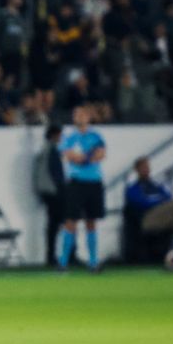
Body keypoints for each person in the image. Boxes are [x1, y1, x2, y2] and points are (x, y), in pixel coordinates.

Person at [58, 106, 107, 272]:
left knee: (91, 222)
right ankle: (63, 261)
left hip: (94, 182)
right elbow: (71, 156)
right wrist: (88, 157)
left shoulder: (96, 136)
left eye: (82, 114)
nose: (79, 117)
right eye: (76, 114)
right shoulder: (69, 137)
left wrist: (85, 157)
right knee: (70, 221)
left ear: (88, 117)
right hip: (76, 183)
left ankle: (93, 261)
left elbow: (101, 154)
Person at [34, 124, 66, 268]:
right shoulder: (51, 151)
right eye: (60, 134)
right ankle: (54, 256)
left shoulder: (44, 150)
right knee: (57, 224)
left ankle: (53, 255)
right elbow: (56, 174)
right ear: (54, 135)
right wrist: (62, 189)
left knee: (55, 224)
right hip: (54, 192)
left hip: (48, 191)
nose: (61, 138)